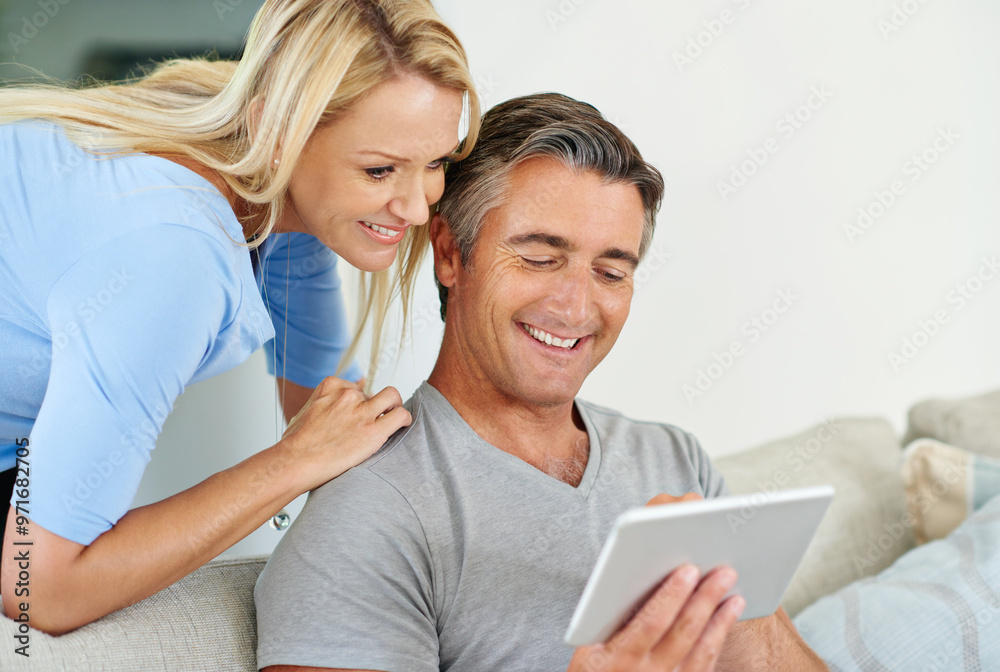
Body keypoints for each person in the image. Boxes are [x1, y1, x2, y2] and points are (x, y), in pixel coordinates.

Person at [254, 93, 826, 672]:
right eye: (538, 258)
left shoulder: (673, 460)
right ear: (450, 253)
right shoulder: (370, 508)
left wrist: (738, 601)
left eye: (611, 272)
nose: (576, 308)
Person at [0, 0, 479, 635]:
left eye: (436, 162)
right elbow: (40, 588)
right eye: (379, 170)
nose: (418, 209)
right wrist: (290, 462)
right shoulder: (174, 256)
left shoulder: (277, 180)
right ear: (278, 134)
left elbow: (326, 403)